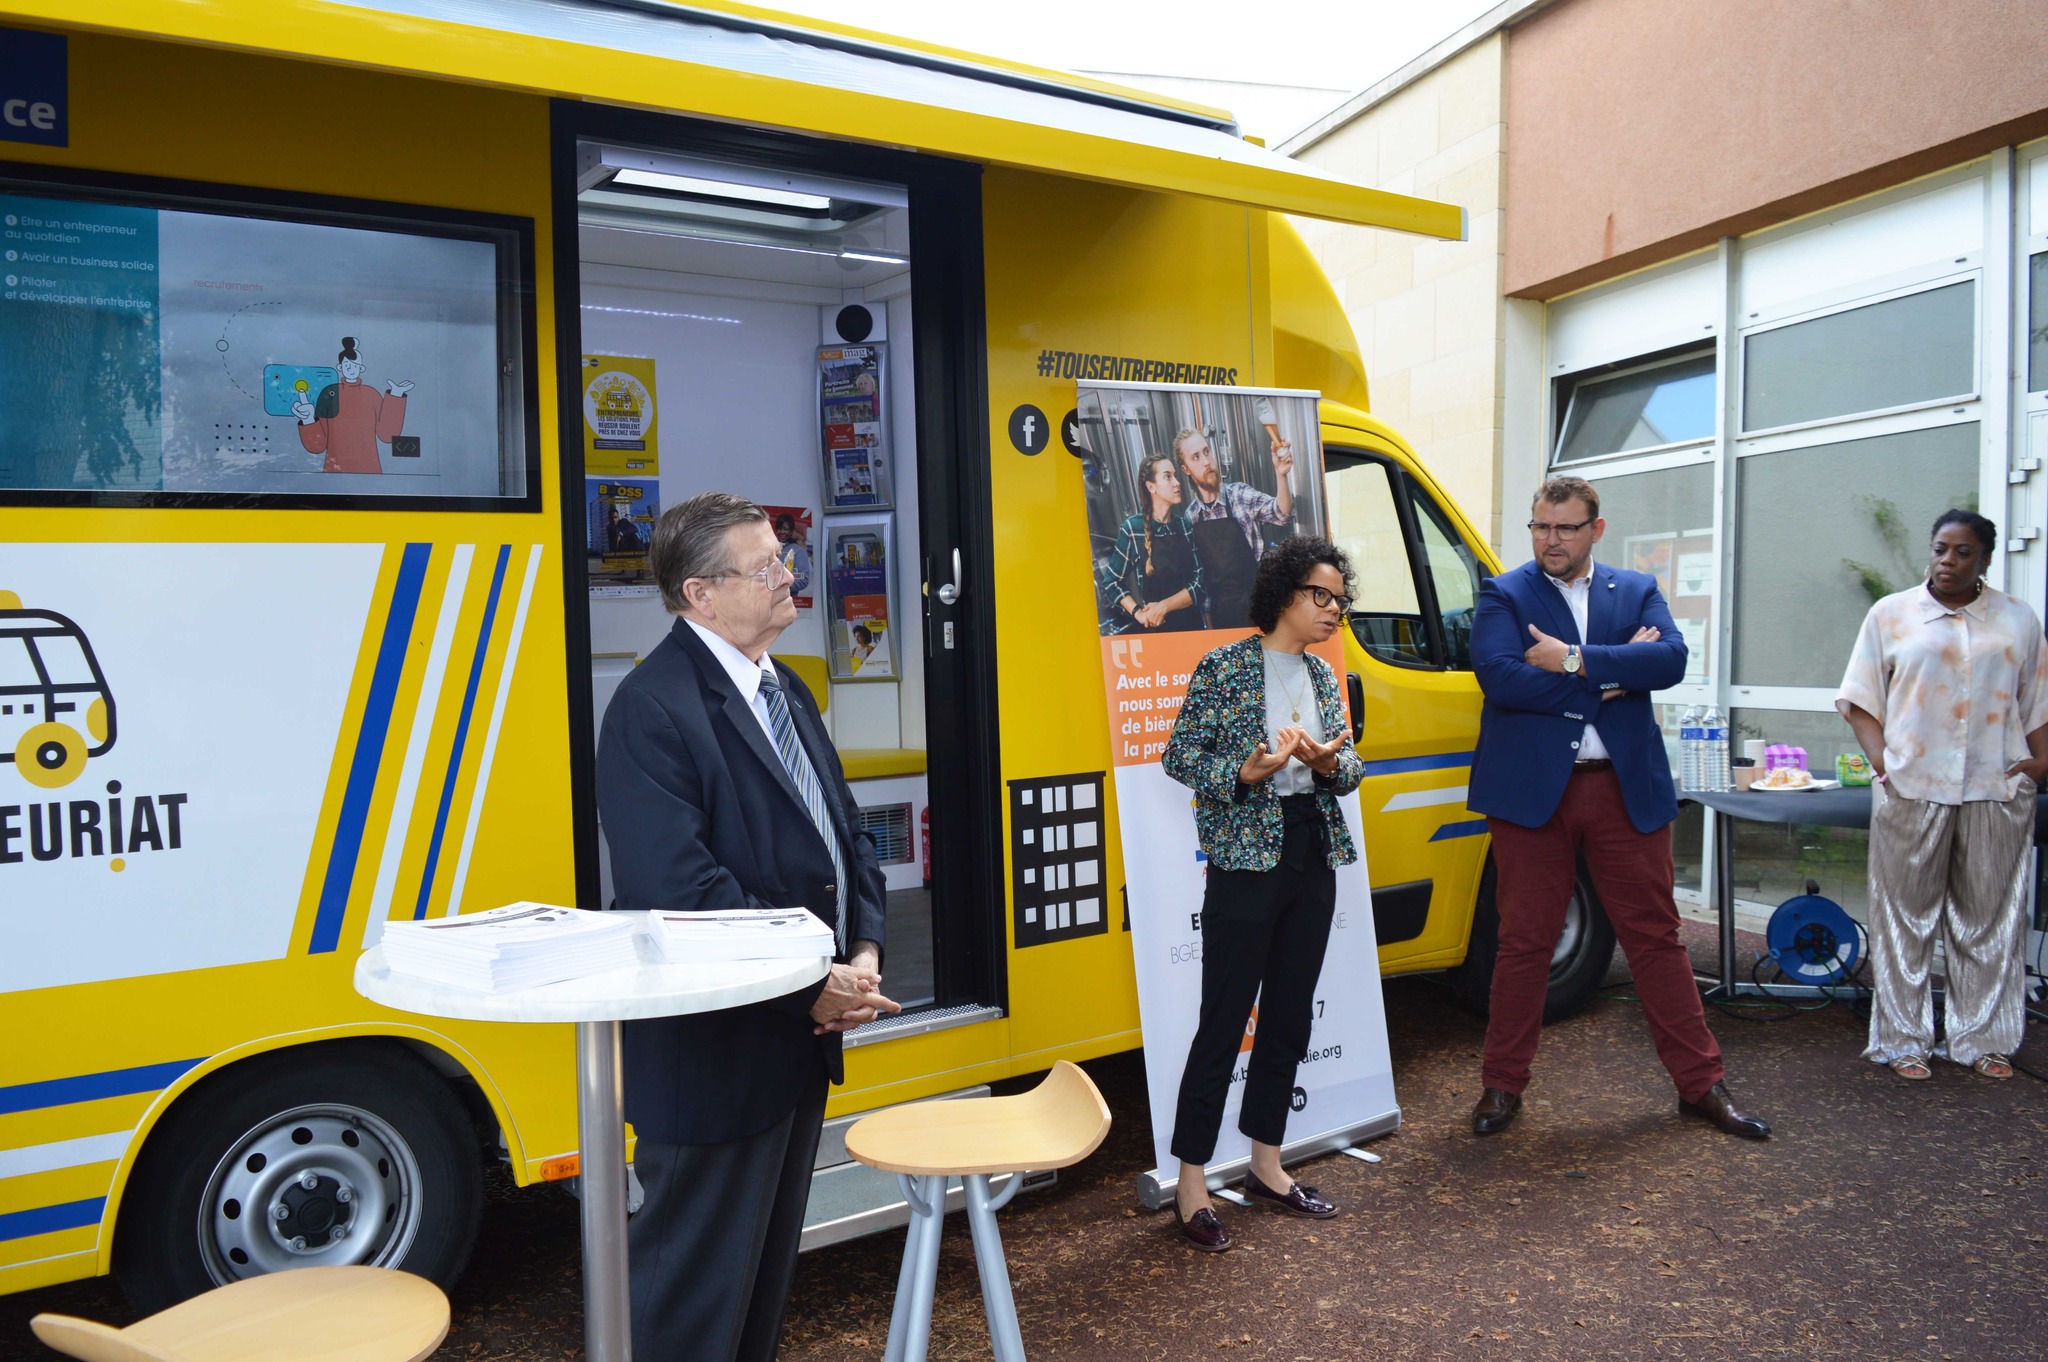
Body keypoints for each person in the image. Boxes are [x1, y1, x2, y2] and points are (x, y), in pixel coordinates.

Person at [597, 491, 899, 1362]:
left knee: (759, 1291)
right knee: (690, 1302)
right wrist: (815, 984)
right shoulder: (652, 709)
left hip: (792, 1047)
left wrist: (866, 946)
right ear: (701, 593)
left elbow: (847, 831)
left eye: (783, 556)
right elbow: (682, 890)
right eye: (765, 564)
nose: (788, 574)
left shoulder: (786, 685)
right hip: (716, 1056)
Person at [1466, 475, 1768, 1141]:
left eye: (1566, 528)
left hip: (1622, 788)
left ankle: (1702, 1085)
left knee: (1656, 937)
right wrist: (1608, 680)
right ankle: (1501, 1084)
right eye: (1541, 526)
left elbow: (1667, 662)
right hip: (1532, 795)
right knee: (1524, 942)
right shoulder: (1505, 593)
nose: (1551, 540)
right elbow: (1498, 677)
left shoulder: (1633, 590)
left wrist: (1570, 661)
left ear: (1595, 530)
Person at [1160, 536, 1365, 1252]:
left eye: (1341, 599)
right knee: (1223, 1020)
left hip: (1313, 849)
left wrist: (1327, 763)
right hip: (1247, 858)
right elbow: (1180, 753)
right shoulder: (1225, 665)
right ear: (1285, 593)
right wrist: (1244, 773)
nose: (1334, 610)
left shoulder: (1323, 675)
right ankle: (1190, 1184)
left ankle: (1266, 1165)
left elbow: (1350, 766)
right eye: (1322, 595)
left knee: (1288, 1017)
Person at [1836, 509, 2048, 1082]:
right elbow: (1860, 699)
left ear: (1984, 559)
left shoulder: (2017, 619)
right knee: (1904, 918)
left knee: (1989, 919)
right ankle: (1903, 1039)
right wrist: (1885, 763)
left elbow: (2037, 702)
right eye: (1940, 549)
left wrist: (2037, 765)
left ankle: (1983, 1039)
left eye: (1963, 553)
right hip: (1913, 785)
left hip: (1994, 787)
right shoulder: (1892, 614)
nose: (1948, 562)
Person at [1178, 407, 1293, 630]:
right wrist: (1210, 632)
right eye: (1196, 457)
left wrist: (1281, 474)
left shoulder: (1238, 495)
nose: (1206, 461)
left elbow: (1282, 514)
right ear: (1186, 470)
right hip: (1222, 620)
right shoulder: (1190, 517)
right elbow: (1202, 585)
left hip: (1258, 611)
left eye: (1207, 452)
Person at [1099, 454, 1204, 633]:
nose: (1177, 482)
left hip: (1192, 629)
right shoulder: (1133, 528)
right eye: (1167, 476)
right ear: (1151, 487)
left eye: (1175, 476)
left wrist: (1164, 606)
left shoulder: (1184, 526)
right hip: (1157, 632)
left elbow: (1200, 583)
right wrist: (1138, 613)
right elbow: (1111, 581)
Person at [293, 335, 412, 473]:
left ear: (361, 368)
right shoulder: (330, 393)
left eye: (355, 365)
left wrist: (395, 396)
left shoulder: (371, 394)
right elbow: (317, 446)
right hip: (333, 475)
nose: (351, 369)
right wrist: (308, 419)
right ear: (340, 367)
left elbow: (387, 434)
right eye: (347, 365)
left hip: (370, 472)